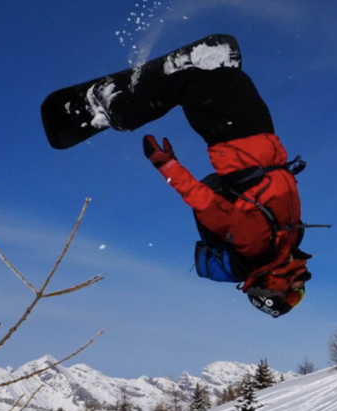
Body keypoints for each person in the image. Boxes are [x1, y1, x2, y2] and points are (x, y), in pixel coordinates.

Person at [95, 34, 311, 318]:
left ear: (270, 289)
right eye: (298, 297)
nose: (300, 291)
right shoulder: (289, 243)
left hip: (232, 142)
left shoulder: (256, 249)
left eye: (292, 296)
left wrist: (169, 167)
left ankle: (122, 111)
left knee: (192, 85)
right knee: (236, 83)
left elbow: (206, 204)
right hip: (265, 142)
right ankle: (216, 68)